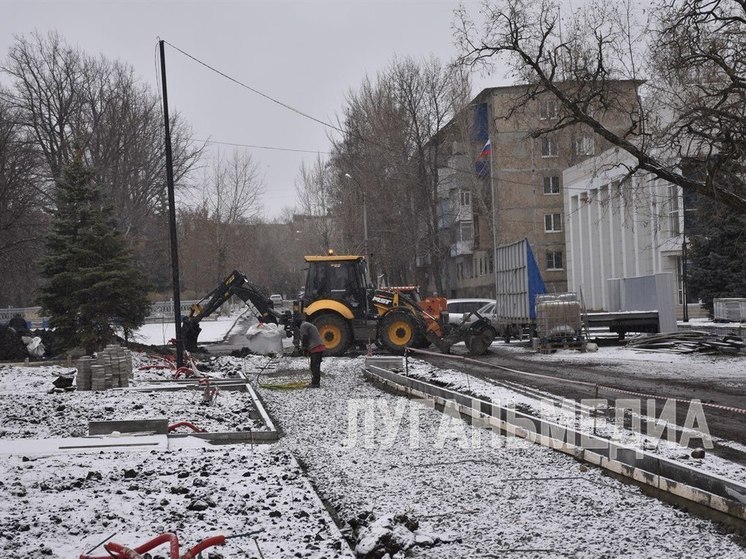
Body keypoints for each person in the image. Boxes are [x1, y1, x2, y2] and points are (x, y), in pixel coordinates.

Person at [294, 315, 325, 387]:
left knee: (314, 366)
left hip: (316, 347)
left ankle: (315, 383)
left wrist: (304, 349)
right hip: (319, 346)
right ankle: (315, 382)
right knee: (315, 366)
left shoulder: (303, 326)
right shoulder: (307, 324)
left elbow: (305, 337)